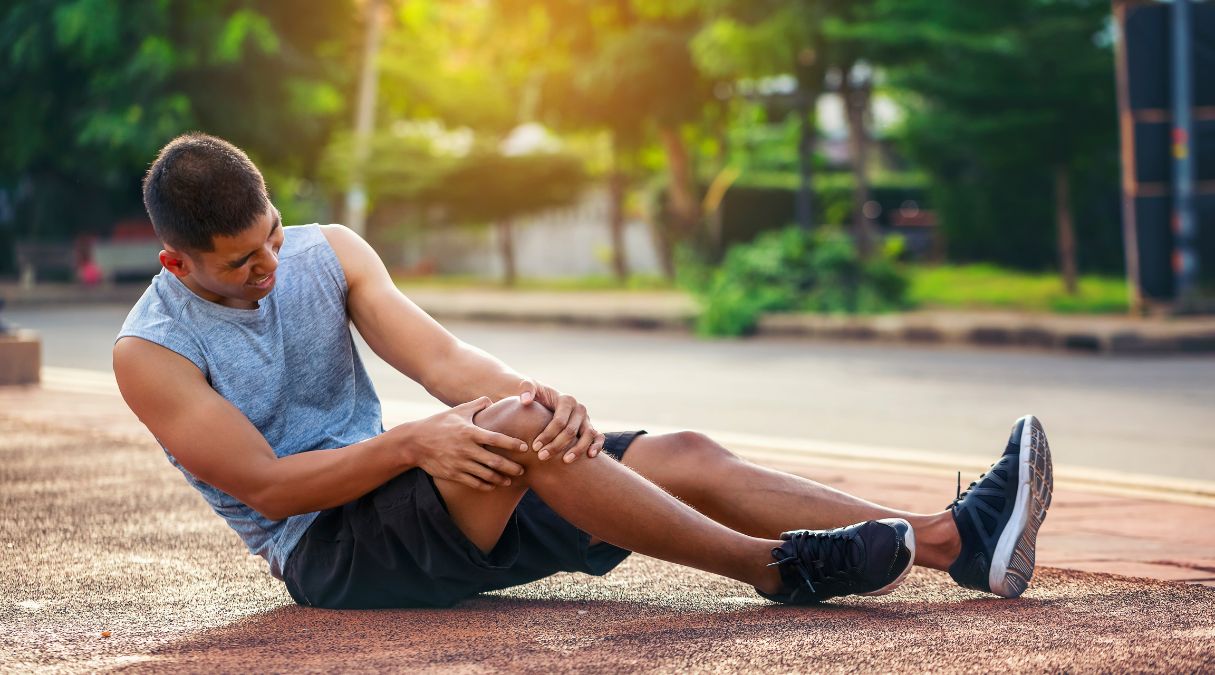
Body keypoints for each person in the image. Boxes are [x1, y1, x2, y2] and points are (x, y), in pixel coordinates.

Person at [113, 133, 1053, 609]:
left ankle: (951, 543)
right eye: (242, 262)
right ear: (178, 263)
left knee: (673, 448)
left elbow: (443, 360)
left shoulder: (331, 252)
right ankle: (775, 569)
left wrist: (539, 397)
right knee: (513, 432)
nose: (271, 266)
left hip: (433, 493)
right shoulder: (150, 351)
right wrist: (414, 444)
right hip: (333, 552)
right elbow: (271, 491)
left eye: (272, 236)